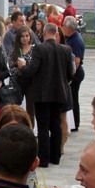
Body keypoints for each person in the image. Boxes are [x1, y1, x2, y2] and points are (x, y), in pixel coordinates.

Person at [17, 23, 73, 167]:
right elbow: (70, 73)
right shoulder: (66, 50)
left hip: (42, 94)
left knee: (43, 126)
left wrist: (23, 66)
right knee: (56, 125)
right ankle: (56, 156)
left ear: (44, 32)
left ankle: (44, 159)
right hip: (59, 93)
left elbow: (32, 71)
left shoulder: (39, 49)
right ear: (56, 33)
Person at [63, 16, 85, 131]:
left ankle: (75, 123)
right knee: (72, 97)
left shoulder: (76, 40)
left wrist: (70, 76)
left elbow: (76, 61)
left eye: (64, 25)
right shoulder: (71, 37)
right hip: (74, 72)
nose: (62, 27)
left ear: (69, 28)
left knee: (73, 98)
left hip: (76, 73)